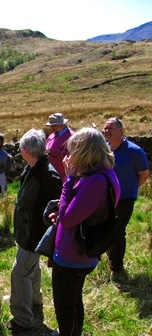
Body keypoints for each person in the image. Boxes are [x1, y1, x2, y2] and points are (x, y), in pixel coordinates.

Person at [52, 127, 121, 335]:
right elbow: (81, 211)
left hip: (73, 256)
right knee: (74, 302)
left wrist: (69, 179)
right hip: (80, 252)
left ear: (85, 152)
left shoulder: (96, 181)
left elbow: (68, 218)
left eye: (74, 151)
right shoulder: (104, 175)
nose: (70, 156)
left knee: (65, 308)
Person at [6, 129, 62, 333]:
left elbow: (58, 206)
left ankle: (22, 319)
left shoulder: (47, 174)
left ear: (26, 149)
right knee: (32, 268)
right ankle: (34, 300)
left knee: (20, 272)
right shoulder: (34, 168)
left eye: (21, 148)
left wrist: (49, 236)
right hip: (30, 233)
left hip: (35, 234)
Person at [103, 118, 149, 275]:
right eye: (105, 128)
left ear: (121, 130)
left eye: (111, 128)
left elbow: (143, 174)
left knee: (117, 230)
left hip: (125, 199)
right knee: (106, 228)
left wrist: (132, 189)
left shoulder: (134, 151)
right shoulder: (105, 150)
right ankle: (109, 259)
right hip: (107, 197)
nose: (106, 131)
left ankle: (116, 267)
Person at [45, 112, 75, 182]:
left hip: (64, 177)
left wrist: (51, 151)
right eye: (51, 126)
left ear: (62, 124)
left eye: (54, 125)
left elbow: (71, 156)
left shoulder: (71, 136)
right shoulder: (51, 136)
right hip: (51, 175)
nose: (52, 128)